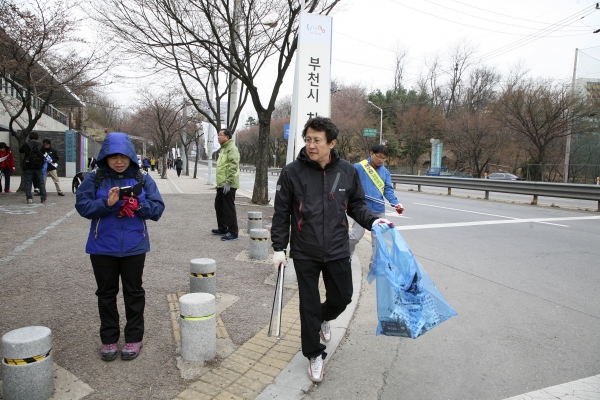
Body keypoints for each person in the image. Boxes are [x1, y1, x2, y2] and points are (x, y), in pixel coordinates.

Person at [270, 117, 392, 383]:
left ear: (332, 143)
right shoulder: (292, 172)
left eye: (317, 140)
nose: (311, 145)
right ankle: (314, 354)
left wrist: (374, 221)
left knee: (343, 297)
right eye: (308, 140)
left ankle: (324, 318)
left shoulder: (347, 171)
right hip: (305, 250)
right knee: (308, 305)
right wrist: (279, 247)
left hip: (337, 247)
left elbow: (357, 206)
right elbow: (281, 213)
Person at [75, 132, 165, 362]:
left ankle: (134, 337)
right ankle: (109, 340)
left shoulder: (142, 178)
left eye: (123, 156)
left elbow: (157, 209)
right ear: (105, 156)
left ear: (131, 157)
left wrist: (139, 205)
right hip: (102, 246)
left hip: (135, 246)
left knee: (134, 292)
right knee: (106, 294)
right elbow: (83, 206)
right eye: (113, 156)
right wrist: (107, 203)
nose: (118, 161)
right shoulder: (94, 178)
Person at [349, 144, 404, 266]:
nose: (381, 160)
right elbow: (350, 184)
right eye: (379, 156)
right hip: (361, 208)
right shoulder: (359, 167)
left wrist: (396, 203)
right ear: (371, 153)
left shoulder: (385, 172)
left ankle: (373, 265)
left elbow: (388, 190)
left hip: (378, 209)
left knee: (378, 240)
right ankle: (346, 256)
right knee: (355, 236)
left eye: (383, 158)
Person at [212, 128, 240, 241]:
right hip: (221, 184)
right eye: (218, 135)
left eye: (220, 135)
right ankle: (223, 228)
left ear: (227, 137)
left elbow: (233, 166)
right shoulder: (223, 149)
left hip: (228, 184)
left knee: (229, 208)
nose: (218, 137)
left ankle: (233, 232)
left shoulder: (232, 148)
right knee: (218, 205)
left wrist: (228, 182)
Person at [19, 132, 47, 204]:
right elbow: (44, 152)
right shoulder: (41, 145)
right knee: (41, 182)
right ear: (37, 138)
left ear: (30, 137)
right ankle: (43, 198)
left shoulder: (26, 144)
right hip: (38, 166)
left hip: (28, 166)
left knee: (28, 182)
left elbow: (21, 150)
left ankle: (29, 199)